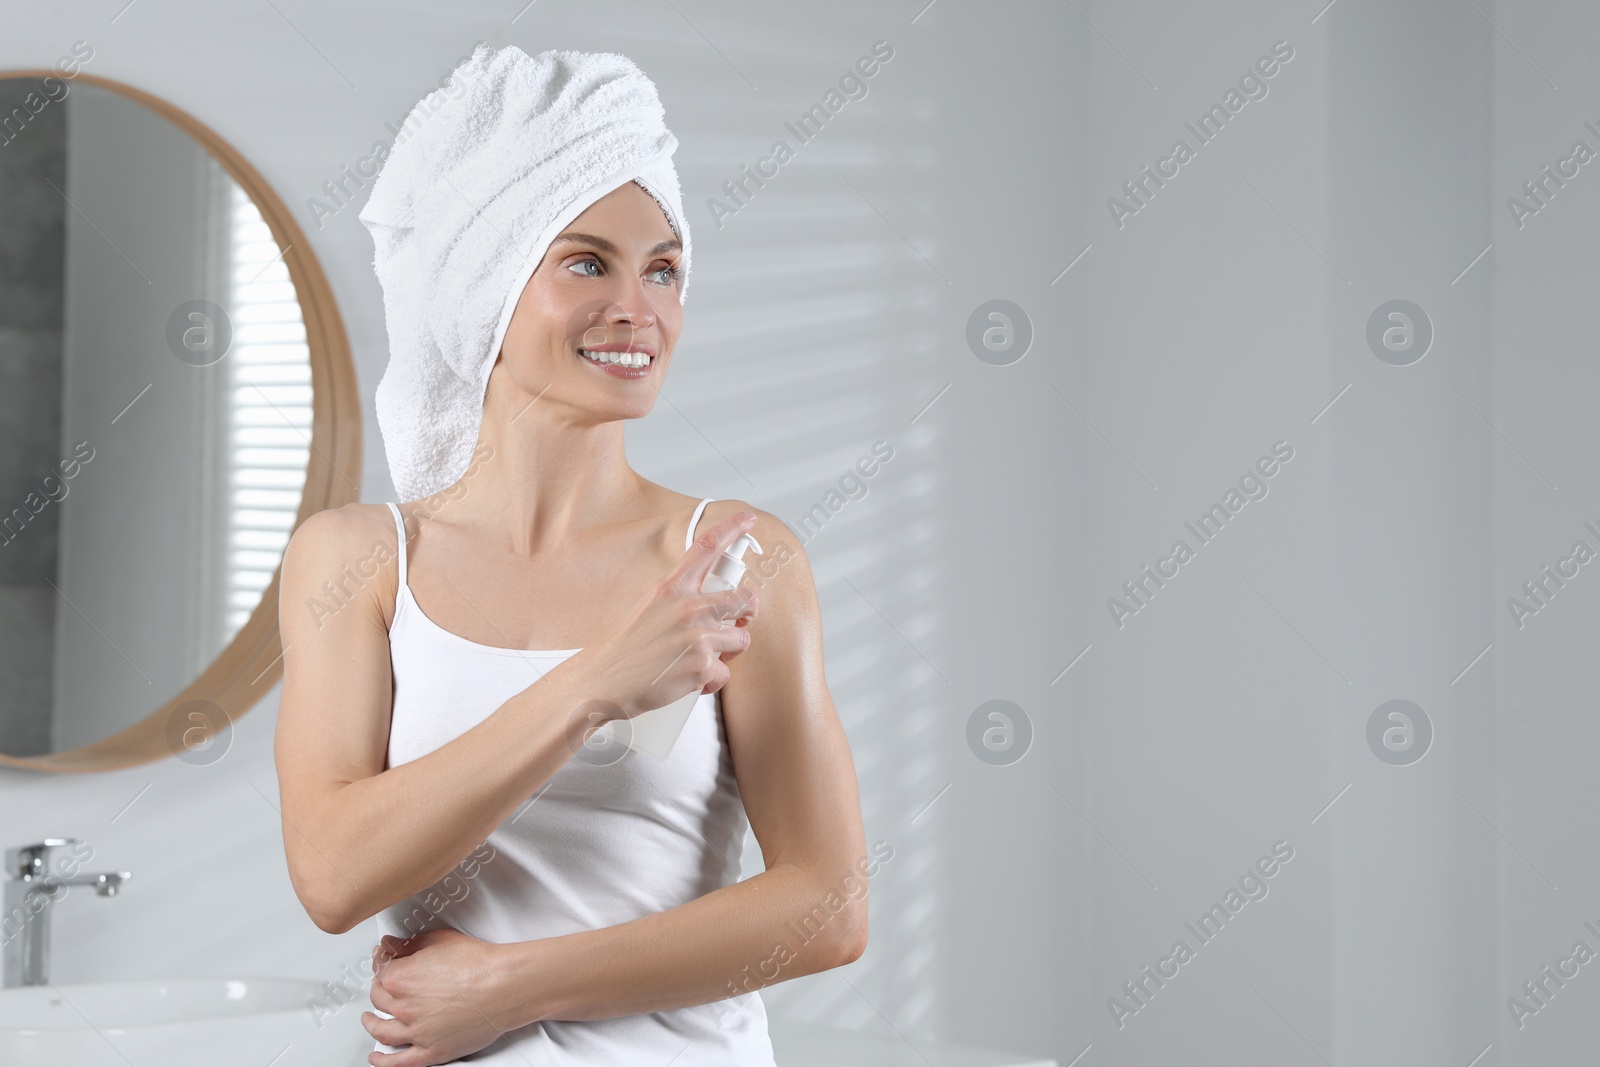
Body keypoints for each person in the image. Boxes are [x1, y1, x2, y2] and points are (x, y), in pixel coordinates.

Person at [272, 45, 867, 1066]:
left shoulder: (733, 557)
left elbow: (826, 902)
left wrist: (508, 986)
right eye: (587, 261)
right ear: (485, 287)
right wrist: (593, 687)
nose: (640, 307)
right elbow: (333, 874)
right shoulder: (361, 562)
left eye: (665, 268)